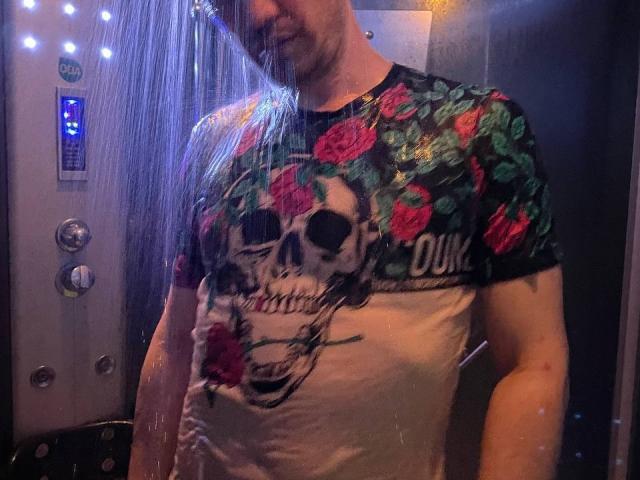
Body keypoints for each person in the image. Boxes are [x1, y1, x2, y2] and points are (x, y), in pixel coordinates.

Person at [129, 1, 569, 479]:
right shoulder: (215, 141)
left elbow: (532, 361)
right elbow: (175, 342)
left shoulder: (476, 131)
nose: (255, 14)